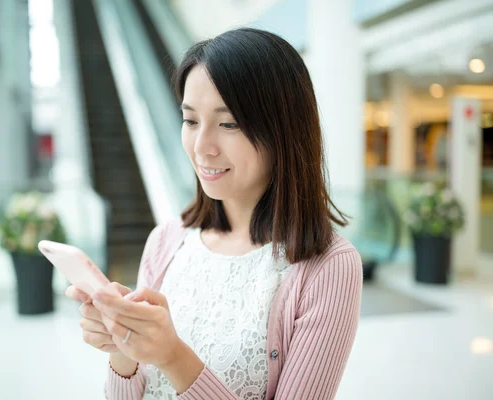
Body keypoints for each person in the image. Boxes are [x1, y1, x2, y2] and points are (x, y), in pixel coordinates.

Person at [66, 28, 363, 400]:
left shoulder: (328, 267)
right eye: (190, 121)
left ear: (283, 131)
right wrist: (122, 348)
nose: (202, 147)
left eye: (228, 124)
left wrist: (173, 357)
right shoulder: (166, 241)